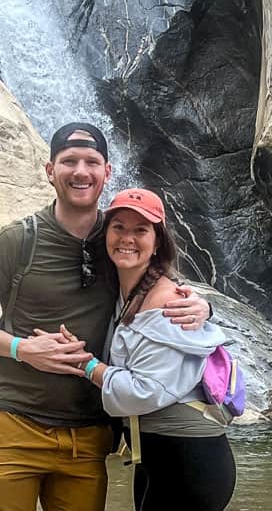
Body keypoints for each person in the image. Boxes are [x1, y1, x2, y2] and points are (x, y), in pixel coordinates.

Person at [0, 122, 212, 511]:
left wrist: (205, 306)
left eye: (92, 161)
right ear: (50, 170)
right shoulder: (17, 240)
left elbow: (164, 286)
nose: (80, 171)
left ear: (107, 172)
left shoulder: (120, 236)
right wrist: (22, 348)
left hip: (88, 434)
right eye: (69, 161)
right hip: (14, 423)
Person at [77, 187, 237, 511]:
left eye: (141, 229)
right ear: (105, 233)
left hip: (191, 461)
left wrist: (87, 366)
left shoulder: (169, 304)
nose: (127, 238)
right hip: (156, 457)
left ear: (158, 242)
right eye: (118, 226)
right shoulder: (124, 291)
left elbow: (144, 391)